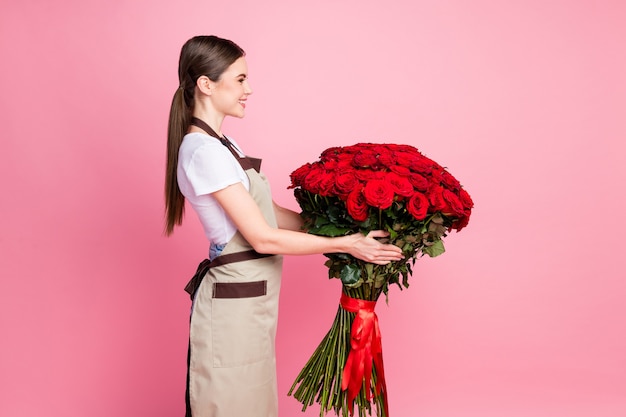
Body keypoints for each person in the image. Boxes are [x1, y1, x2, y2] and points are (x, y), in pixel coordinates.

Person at [164, 35, 403, 417]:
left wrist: (337, 225)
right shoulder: (203, 151)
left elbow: (269, 213)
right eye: (240, 79)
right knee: (229, 406)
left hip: (249, 304)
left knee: (252, 405)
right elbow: (261, 237)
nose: (249, 89)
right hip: (232, 307)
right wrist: (347, 243)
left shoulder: (225, 144)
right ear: (206, 85)